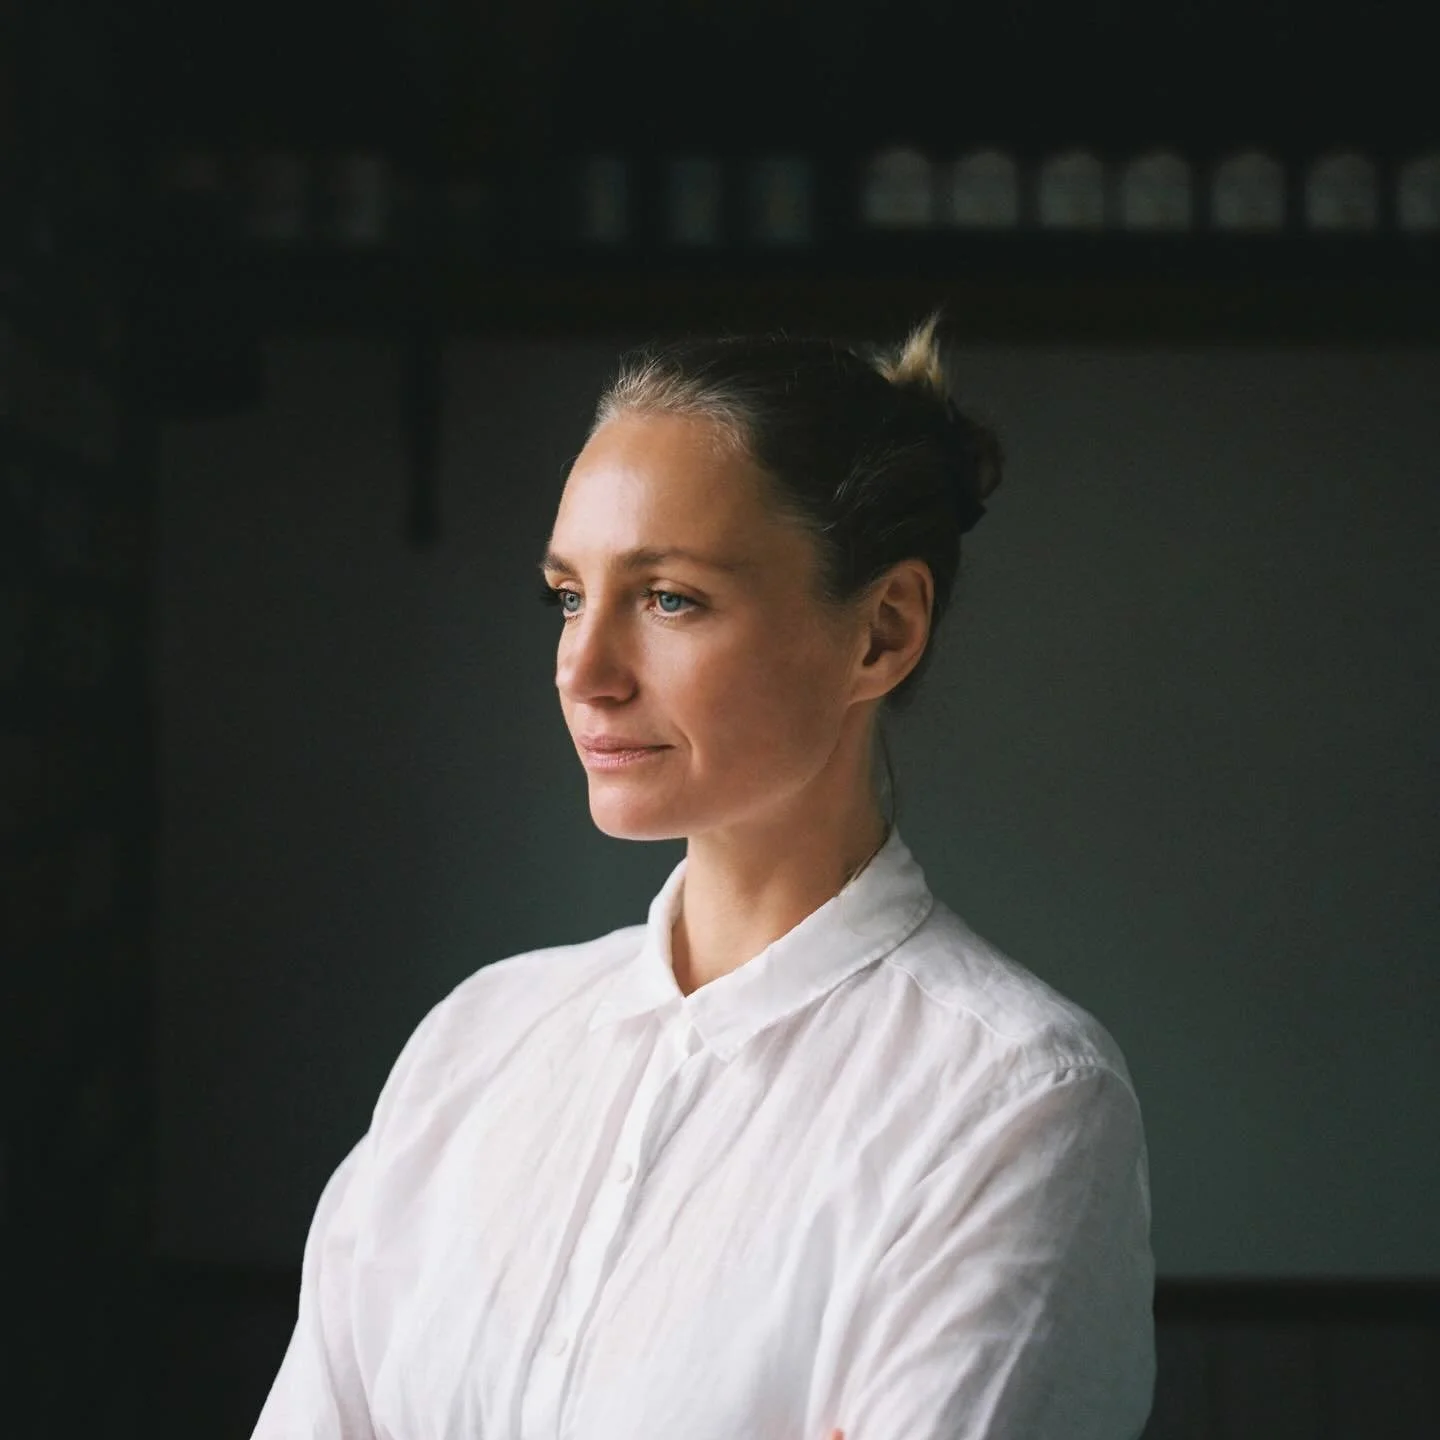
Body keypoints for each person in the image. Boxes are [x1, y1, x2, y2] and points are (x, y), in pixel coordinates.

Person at [253, 314, 1155, 1439]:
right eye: (568, 596)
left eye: (669, 597)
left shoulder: (1014, 1101)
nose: (584, 670)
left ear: (882, 629)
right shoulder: (474, 1045)